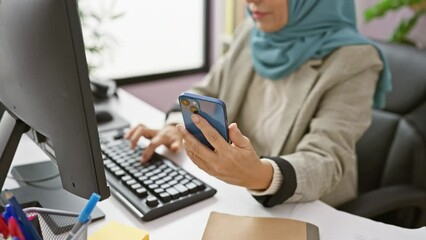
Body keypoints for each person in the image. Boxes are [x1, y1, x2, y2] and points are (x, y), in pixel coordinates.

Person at [124, 0, 392, 207]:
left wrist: (261, 175)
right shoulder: (252, 31)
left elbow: (326, 158)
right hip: (236, 192)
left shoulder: (355, 59)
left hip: (305, 203)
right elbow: (206, 90)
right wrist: (175, 126)